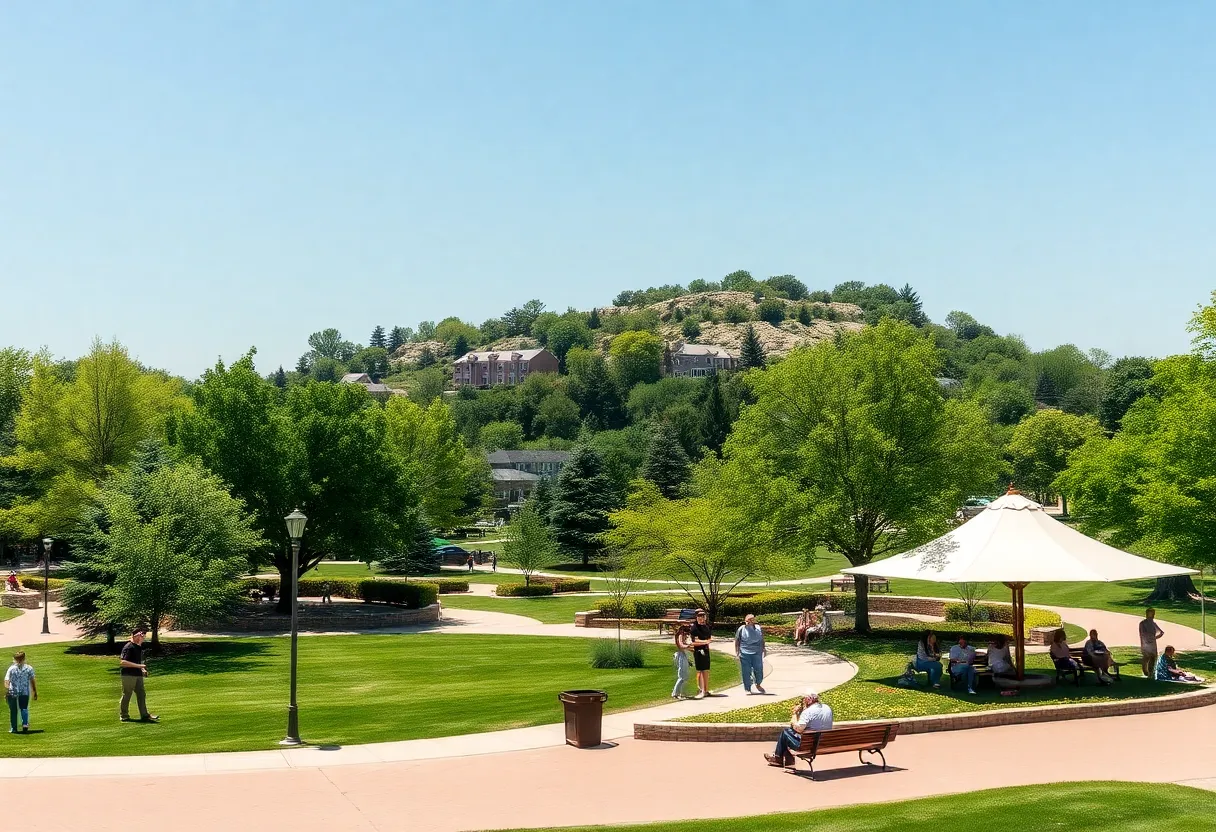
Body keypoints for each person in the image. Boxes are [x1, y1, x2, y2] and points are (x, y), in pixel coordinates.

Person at [764, 688, 833, 767]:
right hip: (824, 743)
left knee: (785, 733)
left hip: (809, 746)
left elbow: (798, 728)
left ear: (809, 699)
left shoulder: (808, 712)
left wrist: (794, 714)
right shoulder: (827, 708)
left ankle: (779, 759)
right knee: (789, 733)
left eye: (805, 699)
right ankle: (787, 759)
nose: (804, 701)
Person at [118, 630, 158, 723]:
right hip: (128, 675)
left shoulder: (138, 647)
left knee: (141, 694)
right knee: (127, 695)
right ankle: (124, 715)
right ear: (136, 636)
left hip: (137, 674)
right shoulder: (129, 647)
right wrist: (139, 666)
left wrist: (142, 669)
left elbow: (137, 661)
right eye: (142, 636)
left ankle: (144, 715)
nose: (143, 638)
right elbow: (123, 662)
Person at [4, 651, 37, 734]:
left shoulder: (11, 668)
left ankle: (13, 728)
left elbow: (7, 680)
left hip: (13, 691)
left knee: (13, 710)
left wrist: (7, 690)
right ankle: (25, 724)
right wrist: (34, 691)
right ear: (24, 658)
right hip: (24, 691)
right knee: (24, 708)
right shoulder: (29, 668)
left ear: (15, 659)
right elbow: (32, 680)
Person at [734, 614, 767, 695]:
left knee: (758, 670)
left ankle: (758, 684)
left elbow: (762, 639)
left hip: (757, 652)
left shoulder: (758, 628)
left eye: (751, 620)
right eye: (748, 620)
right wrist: (737, 652)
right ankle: (747, 688)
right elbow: (737, 641)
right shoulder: (741, 629)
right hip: (745, 652)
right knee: (746, 671)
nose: (749, 622)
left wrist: (764, 648)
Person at [689, 609, 713, 699]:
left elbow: (709, 638)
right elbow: (694, 641)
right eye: (699, 616)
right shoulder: (694, 627)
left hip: (706, 650)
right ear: (696, 617)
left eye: (703, 616)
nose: (701, 618)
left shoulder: (706, 626)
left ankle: (706, 689)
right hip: (699, 651)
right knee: (700, 670)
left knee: (706, 670)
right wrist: (705, 642)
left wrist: (707, 642)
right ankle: (701, 689)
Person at [1139, 608, 1165, 678]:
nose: (1152, 616)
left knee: (1151, 657)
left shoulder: (1149, 623)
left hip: (1150, 642)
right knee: (1147, 657)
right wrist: (1154, 638)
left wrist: (1155, 638)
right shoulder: (1144, 623)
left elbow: (1161, 632)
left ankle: (1150, 672)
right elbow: (1142, 634)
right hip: (1147, 643)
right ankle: (1146, 672)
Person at [672, 624, 692, 699]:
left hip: (683, 655)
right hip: (681, 655)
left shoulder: (682, 635)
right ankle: (675, 693)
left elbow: (685, 645)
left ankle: (682, 693)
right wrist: (688, 646)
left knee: (685, 676)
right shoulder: (680, 635)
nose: (687, 634)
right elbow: (681, 645)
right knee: (682, 676)